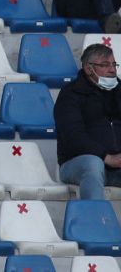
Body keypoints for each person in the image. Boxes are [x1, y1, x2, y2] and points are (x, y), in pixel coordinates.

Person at [53, 42, 121, 199]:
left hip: (117, 165)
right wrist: (106, 157)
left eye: (114, 64)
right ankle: (94, 220)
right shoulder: (71, 94)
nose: (112, 70)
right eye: (105, 65)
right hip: (78, 163)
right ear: (89, 68)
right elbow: (73, 136)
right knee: (93, 163)